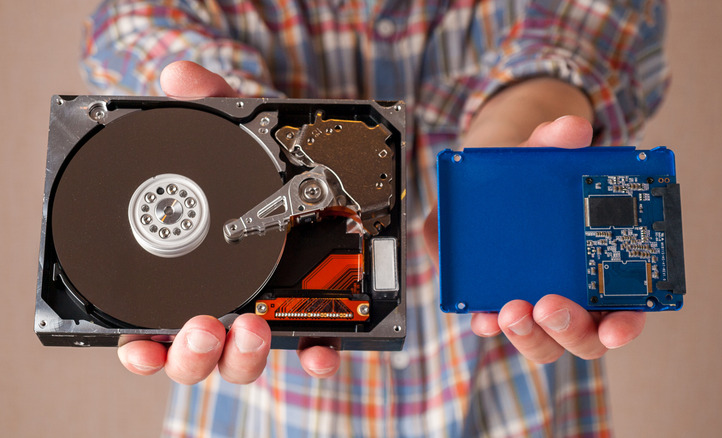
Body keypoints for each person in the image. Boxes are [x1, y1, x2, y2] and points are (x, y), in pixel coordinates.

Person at [82, 0, 668, 436]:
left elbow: (583, 32)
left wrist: (492, 170)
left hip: (510, 405)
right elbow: (133, 29)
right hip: (264, 408)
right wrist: (241, 125)